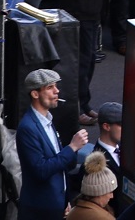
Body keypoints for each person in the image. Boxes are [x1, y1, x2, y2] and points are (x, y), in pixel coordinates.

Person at [16, 68, 88, 220]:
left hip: (55, 205)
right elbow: (41, 170)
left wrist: (64, 200)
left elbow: (59, 167)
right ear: (35, 94)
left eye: (56, 86)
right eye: (50, 87)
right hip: (40, 210)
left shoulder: (47, 120)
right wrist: (72, 147)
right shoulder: (28, 128)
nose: (57, 91)